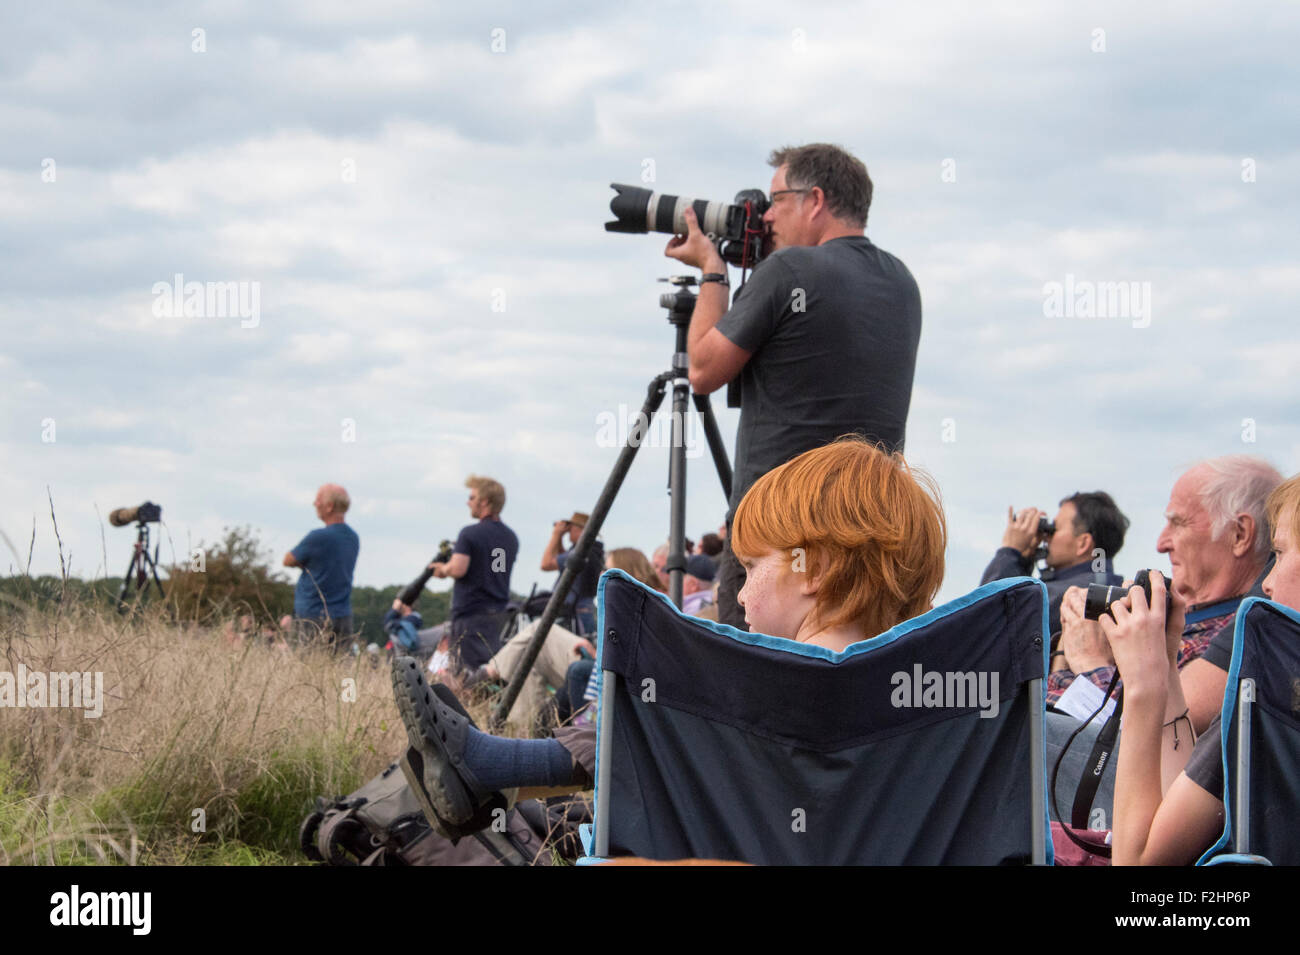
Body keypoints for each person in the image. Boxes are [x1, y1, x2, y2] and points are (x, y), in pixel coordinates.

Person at [391, 436, 946, 837]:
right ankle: (497, 777)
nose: (743, 594)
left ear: (815, 568)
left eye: (751, 568)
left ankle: (495, 771)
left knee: (645, 716)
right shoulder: (940, 704)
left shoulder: (755, 678)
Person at [664, 143, 922, 629]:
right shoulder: (902, 282)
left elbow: (702, 370)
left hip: (778, 529)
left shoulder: (788, 271)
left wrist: (714, 270)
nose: (766, 216)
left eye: (776, 199)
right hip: (869, 526)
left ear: (815, 200)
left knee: (753, 679)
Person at [1105, 472, 1300, 865]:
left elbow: (1139, 866)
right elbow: (1187, 800)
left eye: (1278, 554)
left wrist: (1143, 689)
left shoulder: (1272, 682)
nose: (1268, 582)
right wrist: (1165, 668)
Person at [981, 492, 1128, 638]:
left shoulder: (1073, 595)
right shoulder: (1109, 587)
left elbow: (987, 619)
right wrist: (1025, 560)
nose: (1045, 537)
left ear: (1083, 543)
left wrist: (1010, 551)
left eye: (1053, 530)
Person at [431, 475, 519, 671]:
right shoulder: (510, 537)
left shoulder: (469, 533)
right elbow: (498, 569)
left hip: (470, 616)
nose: (468, 502)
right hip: (499, 617)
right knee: (490, 673)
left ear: (484, 501)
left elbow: (458, 569)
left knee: (466, 677)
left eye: (471, 498)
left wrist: (442, 570)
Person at [283, 483, 359, 650]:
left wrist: (304, 562)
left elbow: (288, 560)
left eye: (318, 500)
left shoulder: (317, 537)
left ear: (329, 506)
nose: (315, 504)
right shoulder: (353, 538)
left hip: (312, 614)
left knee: (308, 666)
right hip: (342, 614)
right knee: (340, 668)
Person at [539, 511, 603, 635]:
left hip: (574, 614)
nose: (568, 532)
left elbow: (545, 564)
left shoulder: (581, 553)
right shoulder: (594, 550)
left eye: (571, 528)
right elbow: (564, 561)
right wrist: (560, 538)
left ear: (581, 530)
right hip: (585, 610)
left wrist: (556, 534)